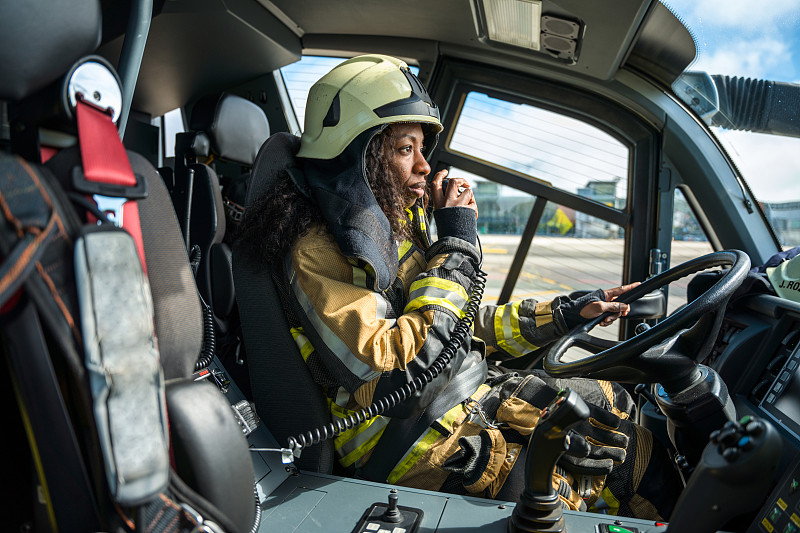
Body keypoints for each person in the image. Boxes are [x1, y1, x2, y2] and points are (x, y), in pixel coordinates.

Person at [237, 54, 680, 519]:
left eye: (421, 148)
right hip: (406, 439)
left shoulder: (383, 231)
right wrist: (455, 249)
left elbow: (455, 325)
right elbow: (402, 373)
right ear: (359, 154)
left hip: (460, 393)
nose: (424, 166)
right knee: (614, 470)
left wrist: (565, 313)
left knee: (618, 411)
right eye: (405, 149)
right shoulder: (316, 251)